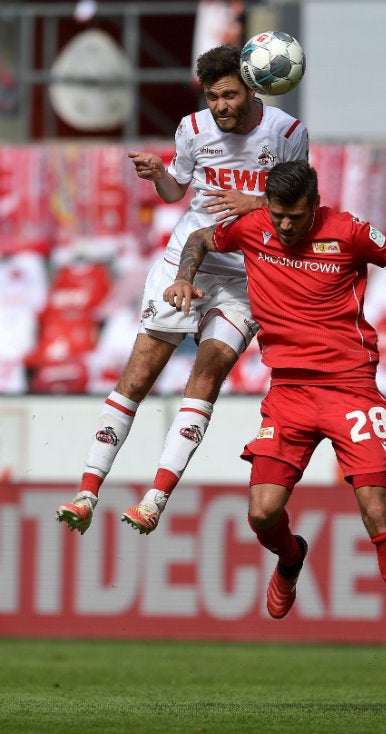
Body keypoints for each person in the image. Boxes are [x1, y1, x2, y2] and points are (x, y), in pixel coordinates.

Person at [164, 159, 386, 702]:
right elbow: (200, 239)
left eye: (295, 217)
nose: (286, 227)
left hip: (351, 390)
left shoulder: (349, 232)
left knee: (377, 510)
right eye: (277, 215)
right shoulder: (252, 227)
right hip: (289, 394)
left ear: (313, 205)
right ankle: (291, 557)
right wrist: (183, 278)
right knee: (262, 513)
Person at [55, 45, 309, 535]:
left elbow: (299, 206)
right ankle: (88, 490)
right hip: (183, 266)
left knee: (208, 373)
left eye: (230, 95)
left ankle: (155, 498)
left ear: (252, 87)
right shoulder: (193, 130)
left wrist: (254, 202)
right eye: (213, 97)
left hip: (245, 277)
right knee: (139, 374)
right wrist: (159, 176)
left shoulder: (288, 134)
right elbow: (178, 193)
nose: (221, 106)